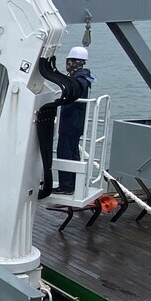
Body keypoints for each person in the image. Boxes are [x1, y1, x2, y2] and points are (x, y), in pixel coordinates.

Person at [54, 46, 95, 194]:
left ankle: (67, 186)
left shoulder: (78, 80)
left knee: (65, 152)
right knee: (73, 152)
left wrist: (56, 105)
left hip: (70, 122)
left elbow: (72, 97)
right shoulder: (83, 78)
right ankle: (75, 183)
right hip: (76, 122)